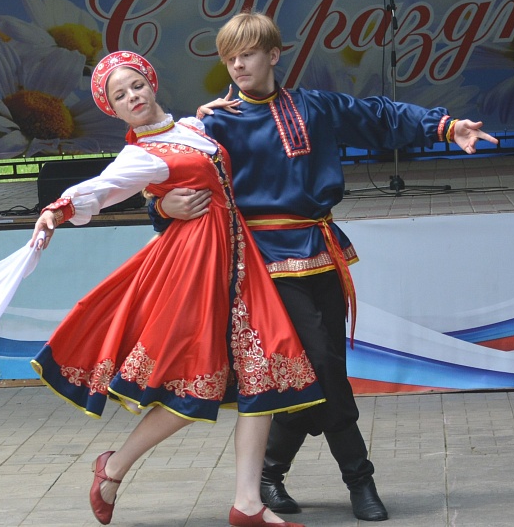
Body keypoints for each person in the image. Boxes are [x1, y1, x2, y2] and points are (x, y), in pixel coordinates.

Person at [153, 12, 500, 522]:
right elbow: (164, 176)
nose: (238, 65)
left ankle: (270, 472)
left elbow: (379, 117)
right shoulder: (214, 123)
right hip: (264, 265)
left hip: (321, 249)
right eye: (229, 58)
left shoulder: (313, 106)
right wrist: (162, 207)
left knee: (318, 371)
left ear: (273, 55)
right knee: (324, 365)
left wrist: (446, 127)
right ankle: (360, 480)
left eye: (247, 54)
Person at [29, 50, 325, 527]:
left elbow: (200, 140)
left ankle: (247, 504)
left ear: (152, 83)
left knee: (263, 377)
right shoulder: (139, 155)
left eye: (136, 86)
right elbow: (103, 188)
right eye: (119, 96)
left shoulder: (192, 127)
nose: (132, 97)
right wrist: (57, 210)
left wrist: (206, 114)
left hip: (239, 263)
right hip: (197, 268)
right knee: (194, 385)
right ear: (112, 109)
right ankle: (114, 467)